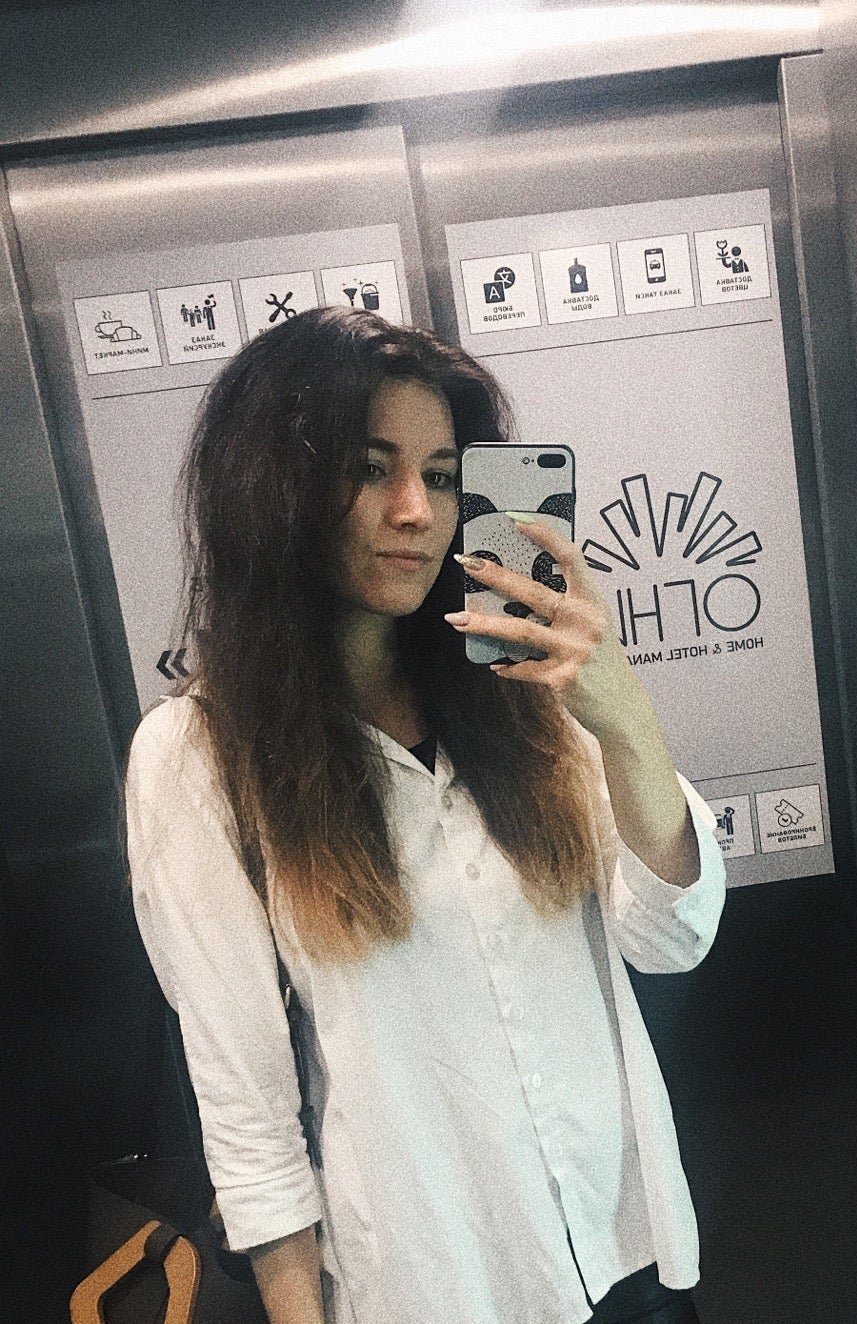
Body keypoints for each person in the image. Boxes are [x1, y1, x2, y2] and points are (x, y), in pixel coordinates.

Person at [124, 307, 725, 1324]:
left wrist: (626, 721)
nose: (416, 510)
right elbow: (249, 1112)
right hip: (438, 1283)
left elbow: (672, 938)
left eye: (442, 476)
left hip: (625, 1249)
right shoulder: (199, 759)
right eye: (370, 469)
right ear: (273, 490)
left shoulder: (525, 693)